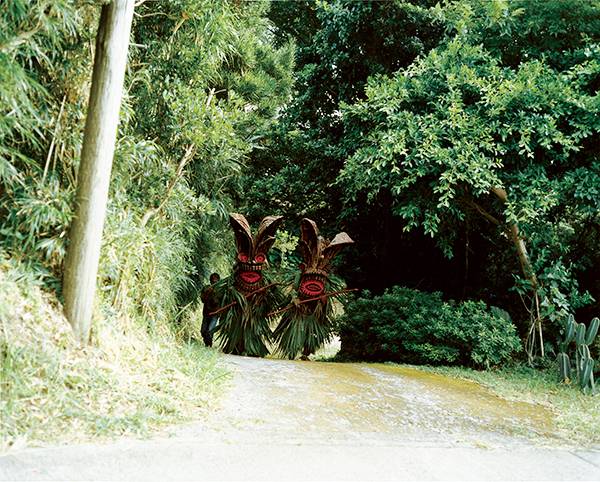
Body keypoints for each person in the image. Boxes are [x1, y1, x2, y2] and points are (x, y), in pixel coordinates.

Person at [200, 273, 221, 347]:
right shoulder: (206, 288)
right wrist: (208, 292)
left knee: (210, 331)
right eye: (212, 282)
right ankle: (207, 343)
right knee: (203, 331)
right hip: (206, 313)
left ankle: (209, 345)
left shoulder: (221, 291)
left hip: (215, 314)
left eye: (215, 282)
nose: (213, 284)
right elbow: (203, 300)